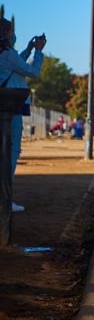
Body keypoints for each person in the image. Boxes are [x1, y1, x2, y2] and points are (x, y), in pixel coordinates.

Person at [0, 18, 46, 213]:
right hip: (12, 106)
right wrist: (38, 51)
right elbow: (32, 72)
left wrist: (27, 49)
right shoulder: (8, 54)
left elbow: (15, 65)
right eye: (11, 32)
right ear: (6, 33)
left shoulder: (5, 54)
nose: (13, 35)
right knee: (12, 151)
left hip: (5, 105)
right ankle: (5, 199)